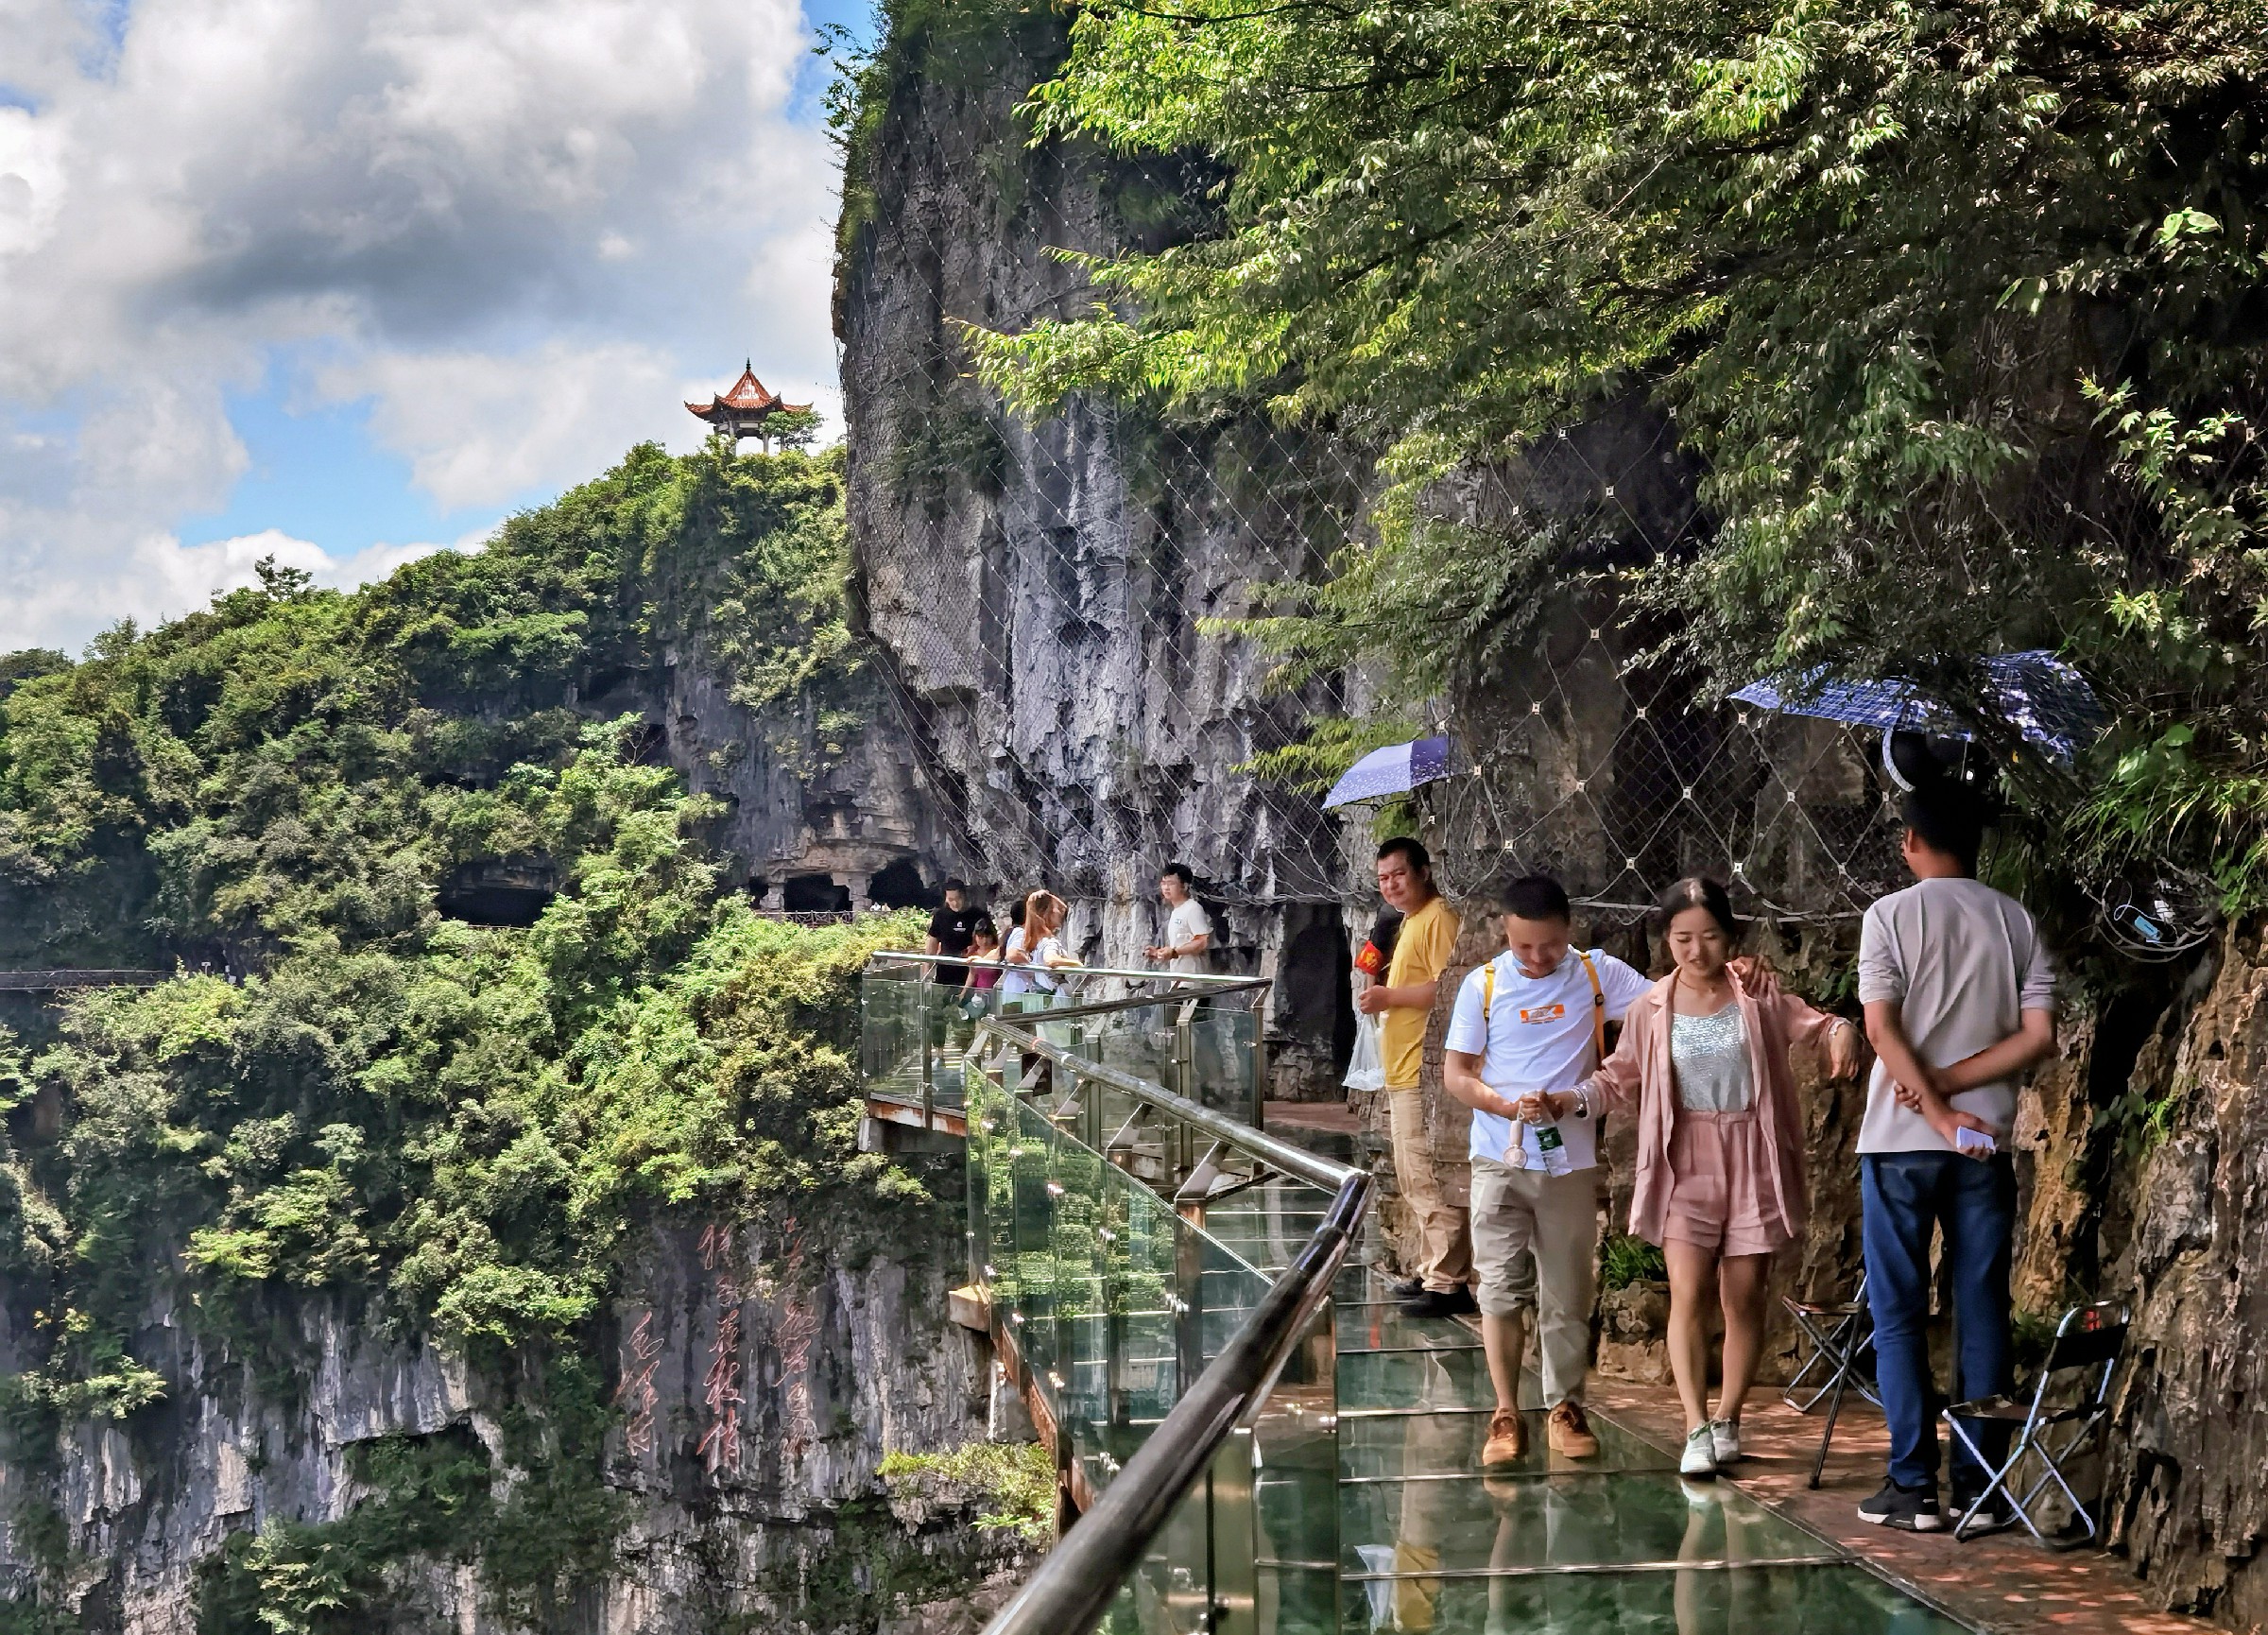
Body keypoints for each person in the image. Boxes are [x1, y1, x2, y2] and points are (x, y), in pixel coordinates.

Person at [1570, 878, 1862, 1477]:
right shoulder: (1652, 1007)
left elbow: (1818, 1024)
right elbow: (1617, 1076)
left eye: (1708, 936)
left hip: (1752, 1151)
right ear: (1666, 940)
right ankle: (1694, 1424)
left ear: (1730, 937)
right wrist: (1567, 1101)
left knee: (1744, 1295)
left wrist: (1843, 1032)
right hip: (1683, 1157)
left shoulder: (1757, 994)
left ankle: (1729, 1418)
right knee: (1689, 1293)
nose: (1695, 949)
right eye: (1682, 937)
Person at [1853, 783, 2055, 1533]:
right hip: (1984, 1144)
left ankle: (1912, 1488)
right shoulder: (2017, 920)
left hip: (1901, 1143)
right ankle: (1982, 1487)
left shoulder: (1889, 917)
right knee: (1981, 1308)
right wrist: (1956, 1095)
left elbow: (1881, 1028)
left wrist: (1930, 1100)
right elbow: (2038, 1038)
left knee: (1900, 1313)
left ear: (1910, 840)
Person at [1442, 873, 1651, 1466]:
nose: (1537, 958)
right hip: (1498, 1154)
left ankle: (1566, 1407)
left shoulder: (1596, 974)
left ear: (1570, 932)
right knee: (1499, 1290)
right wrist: (1500, 1103)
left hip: (1570, 1163)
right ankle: (1506, 1412)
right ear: (1503, 933)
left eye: (1550, 945)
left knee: (1566, 1293)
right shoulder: (1482, 985)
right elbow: (1456, 1073)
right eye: (1524, 945)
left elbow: (1670, 1000)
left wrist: (1736, 973)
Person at [1359, 837, 1472, 1318]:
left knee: (1424, 1173)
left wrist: (1390, 998)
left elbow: (1451, 989)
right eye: (1383, 878)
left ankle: (1447, 1282)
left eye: (1399, 875)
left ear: (1424, 871)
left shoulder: (1439, 918)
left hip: (1422, 1068)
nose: (1391, 885)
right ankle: (1433, 1271)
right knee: (1411, 1173)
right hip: (1402, 1065)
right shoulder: (1408, 923)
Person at [1144, 862, 1213, 974]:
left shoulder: (1193, 909)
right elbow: (1178, 946)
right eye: (1163, 883)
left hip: (1192, 977)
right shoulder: (1176, 911)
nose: (1166, 888)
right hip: (1179, 977)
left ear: (1184, 886)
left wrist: (1174, 952)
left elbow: (1202, 941)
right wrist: (1159, 953)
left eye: (1171, 884)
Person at [925, 878, 978, 983]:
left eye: (958, 898)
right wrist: (926, 975)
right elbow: (932, 945)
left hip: (970, 970)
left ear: (965, 896)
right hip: (945, 970)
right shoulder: (940, 915)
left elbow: (991, 944)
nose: (955, 903)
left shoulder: (977, 915)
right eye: (950, 899)